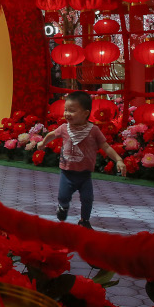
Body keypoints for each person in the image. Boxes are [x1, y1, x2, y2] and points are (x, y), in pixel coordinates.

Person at [37, 91, 125, 229]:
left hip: (85, 175)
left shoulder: (93, 130)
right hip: (67, 173)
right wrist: (43, 143)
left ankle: (84, 221)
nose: (67, 114)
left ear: (85, 113)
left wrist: (118, 159)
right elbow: (52, 134)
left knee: (87, 199)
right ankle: (63, 207)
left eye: (72, 111)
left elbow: (106, 146)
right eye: (66, 110)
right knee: (63, 196)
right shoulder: (64, 128)